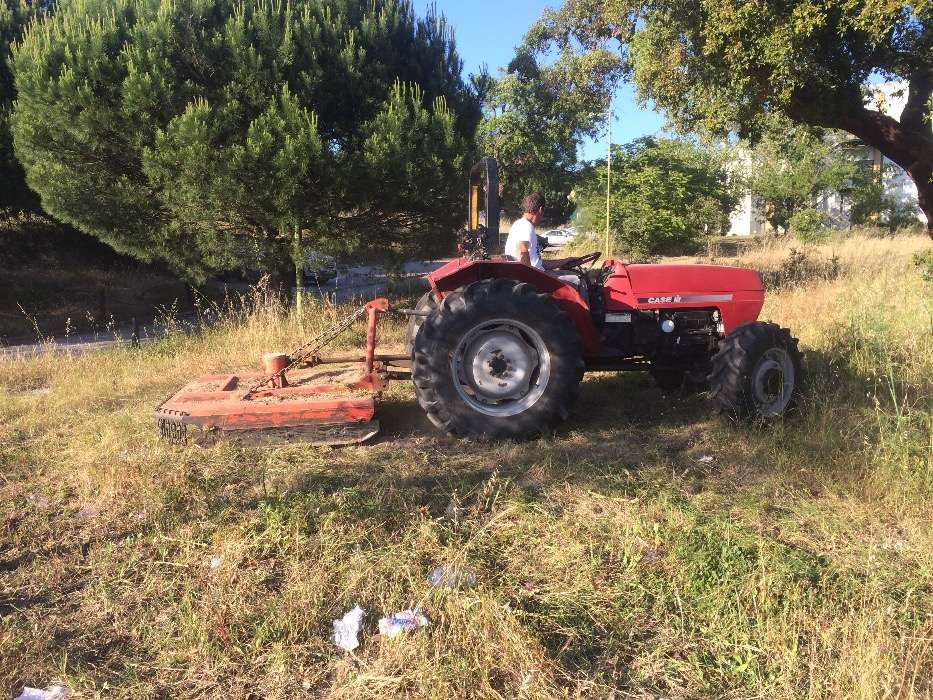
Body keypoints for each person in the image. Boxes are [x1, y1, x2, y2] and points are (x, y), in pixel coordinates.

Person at [504, 192, 578, 270]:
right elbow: (521, 250)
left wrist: (565, 261)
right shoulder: (526, 226)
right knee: (579, 279)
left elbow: (539, 264)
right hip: (537, 279)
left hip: (540, 275)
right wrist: (531, 277)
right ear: (540, 209)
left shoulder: (519, 224)